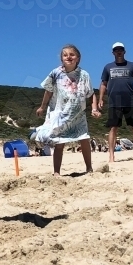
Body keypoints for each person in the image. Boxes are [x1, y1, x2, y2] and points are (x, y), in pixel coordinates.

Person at [32, 45, 94, 176]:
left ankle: (89, 169)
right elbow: (48, 90)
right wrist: (42, 106)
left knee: (84, 139)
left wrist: (94, 108)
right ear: (61, 58)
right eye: (65, 55)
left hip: (78, 113)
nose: (68, 57)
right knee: (59, 142)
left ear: (78, 58)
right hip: (60, 113)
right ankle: (56, 172)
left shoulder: (84, 74)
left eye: (72, 54)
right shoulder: (55, 73)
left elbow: (91, 93)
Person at [95, 42, 133, 163]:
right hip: (114, 102)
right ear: (113, 52)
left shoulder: (132, 65)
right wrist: (101, 99)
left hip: (131, 101)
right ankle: (111, 156)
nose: (118, 51)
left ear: (124, 51)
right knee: (113, 128)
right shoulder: (108, 67)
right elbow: (103, 84)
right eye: (116, 50)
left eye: (121, 49)